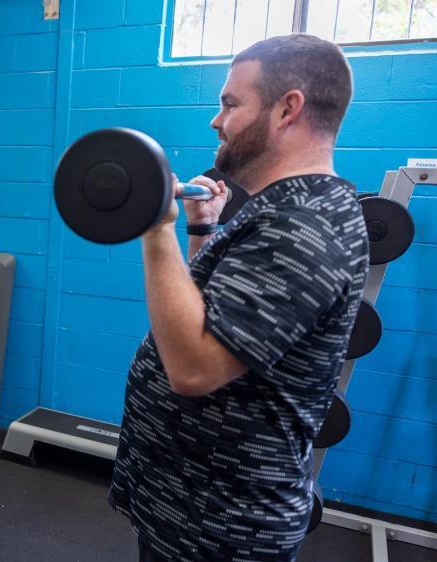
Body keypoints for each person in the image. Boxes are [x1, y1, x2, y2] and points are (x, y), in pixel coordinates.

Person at [109, 34, 370, 561]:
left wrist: (153, 227)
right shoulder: (279, 210)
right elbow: (218, 316)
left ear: (286, 109)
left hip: (222, 527)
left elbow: (195, 368)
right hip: (189, 504)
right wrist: (199, 232)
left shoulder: (303, 226)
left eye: (230, 104)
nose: (216, 120)